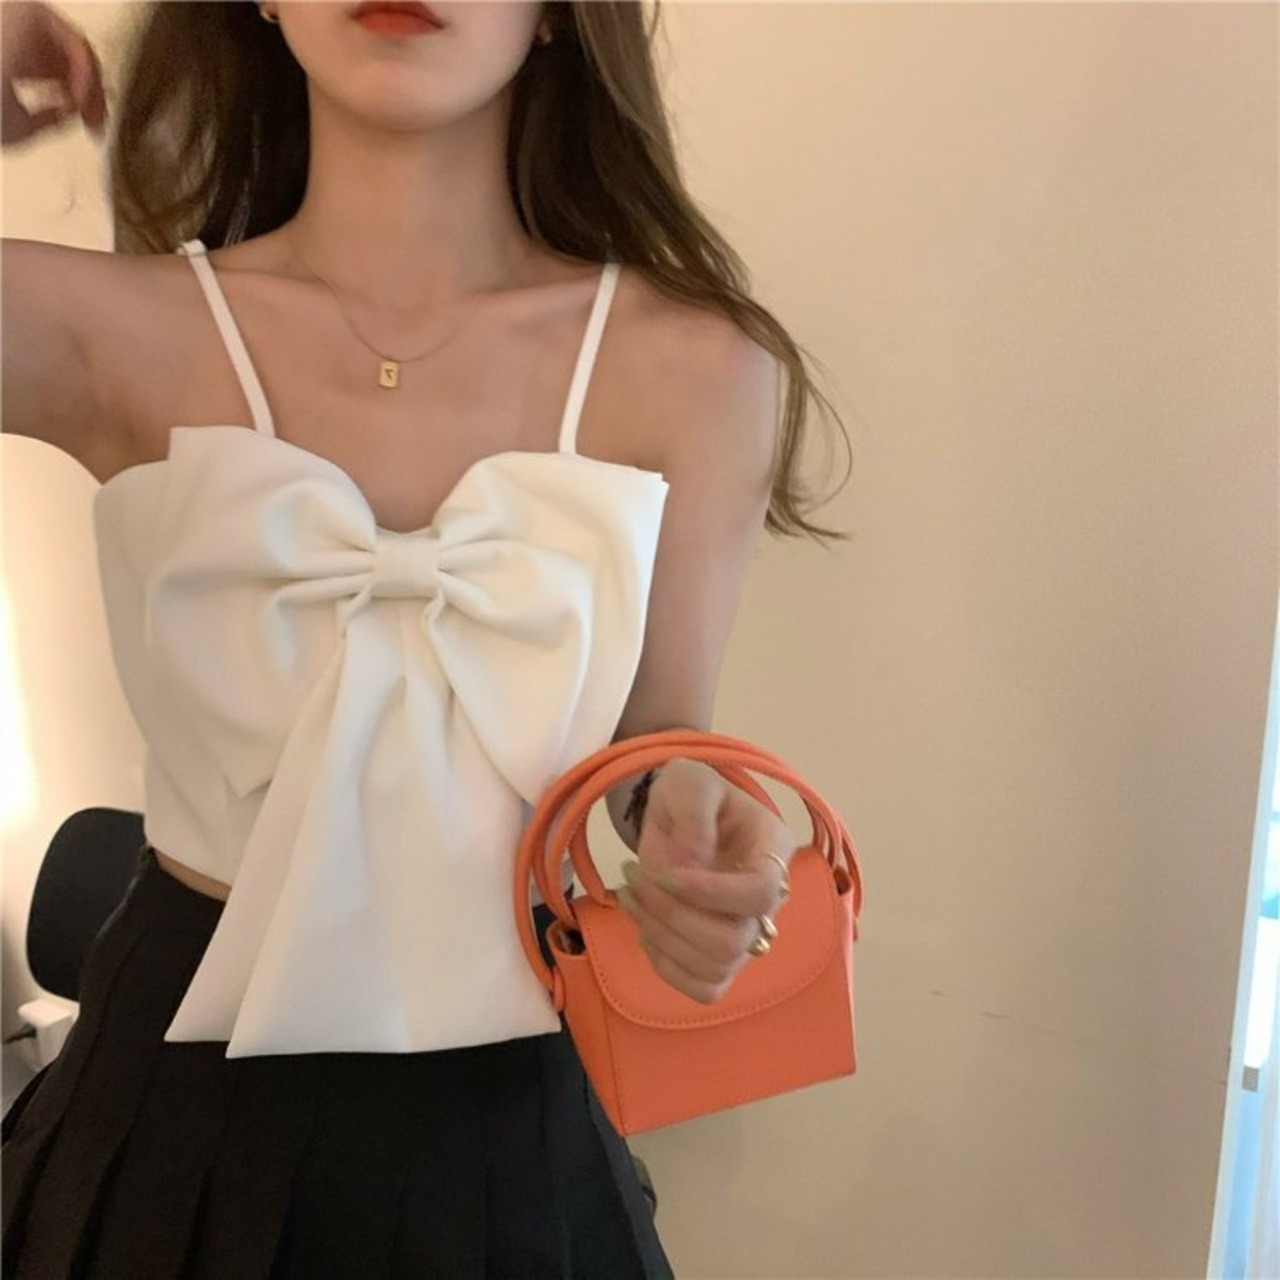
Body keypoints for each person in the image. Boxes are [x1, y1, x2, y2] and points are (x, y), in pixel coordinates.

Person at [0, 1, 851, 1275]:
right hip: (165, 1115)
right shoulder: (104, 325)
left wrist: (689, 807)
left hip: (510, 1120)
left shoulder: (698, 367)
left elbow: (657, 735)